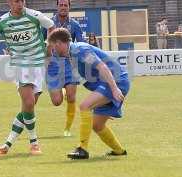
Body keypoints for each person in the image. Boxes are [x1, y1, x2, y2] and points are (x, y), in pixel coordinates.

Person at [0, 0, 55, 156]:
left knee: (27, 109)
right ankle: (34, 143)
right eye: (16, 1)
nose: (20, 4)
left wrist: (49, 45)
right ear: (9, 2)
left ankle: (7, 145)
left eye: (22, 1)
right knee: (28, 104)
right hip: (20, 66)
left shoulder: (34, 15)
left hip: (37, 65)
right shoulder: (2, 21)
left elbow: (51, 26)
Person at [48, 28, 130, 159]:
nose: (52, 50)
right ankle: (119, 151)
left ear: (58, 43)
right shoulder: (71, 55)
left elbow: (102, 67)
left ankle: (82, 149)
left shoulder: (80, 50)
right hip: (108, 84)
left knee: (84, 106)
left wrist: (114, 89)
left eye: (52, 46)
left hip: (116, 81)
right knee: (97, 126)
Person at [46, 0, 84, 138]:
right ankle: (61, 91)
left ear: (69, 7)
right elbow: (42, 41)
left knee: (72, 97)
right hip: (53, 66)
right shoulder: (49, 23)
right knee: (56, 102)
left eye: (65, 5)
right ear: (57, 6)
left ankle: (67, 129)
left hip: (69, 64)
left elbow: (81, 43)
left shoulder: (74, 25)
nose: (63, 7)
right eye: (61, 5)